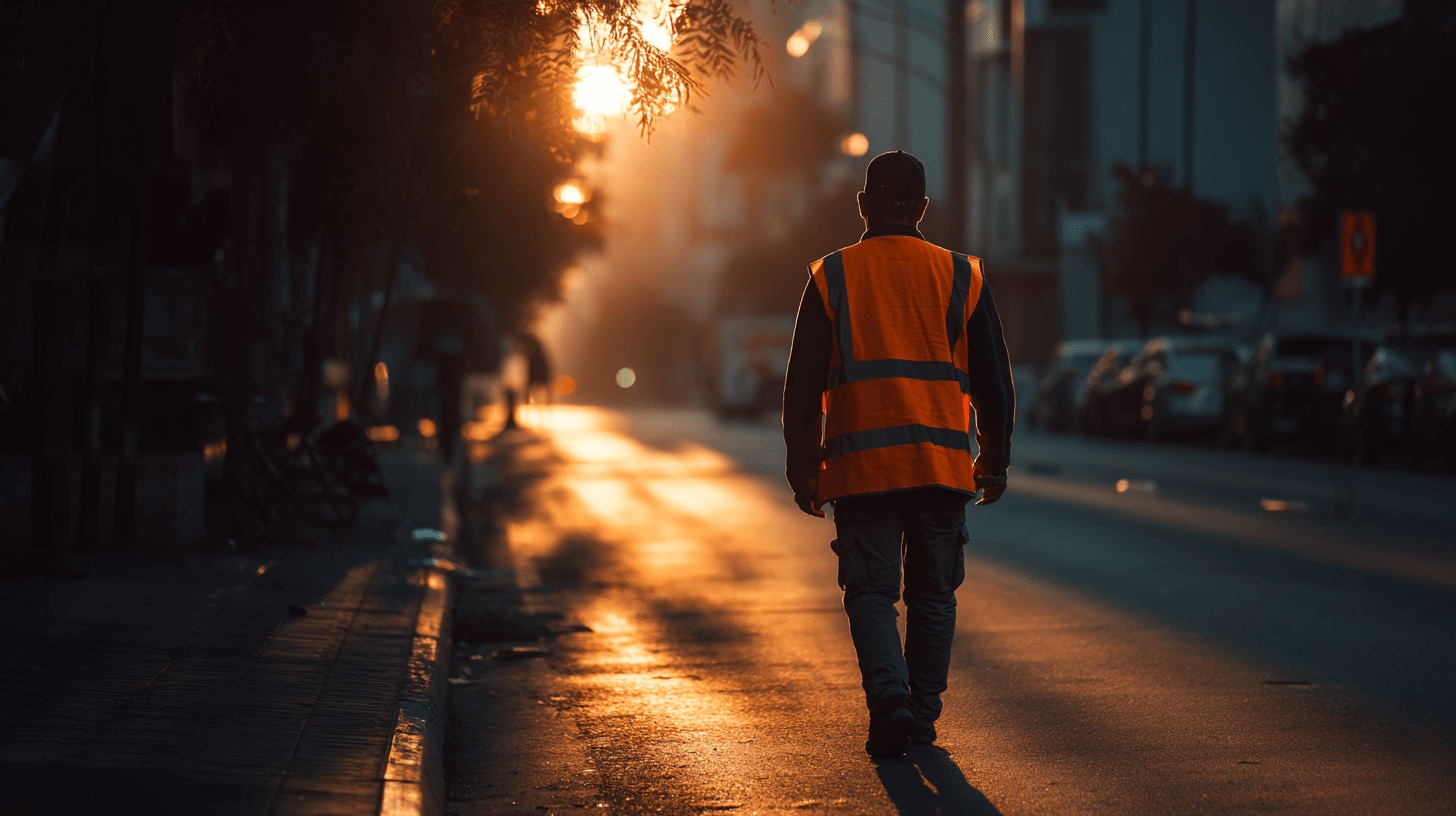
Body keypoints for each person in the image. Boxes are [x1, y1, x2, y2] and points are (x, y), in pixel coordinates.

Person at [782, 150, 1014, 759]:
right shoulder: (961, 275)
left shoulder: (832, 275)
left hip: (862, 468)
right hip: (940, 467)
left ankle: (890, 702)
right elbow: (994, 377)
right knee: (934, 598)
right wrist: (993, 459)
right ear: (921, 208)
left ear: (862, 205)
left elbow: (802, 383)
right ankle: (921, 718)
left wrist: (803, 467)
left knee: (871, 594)